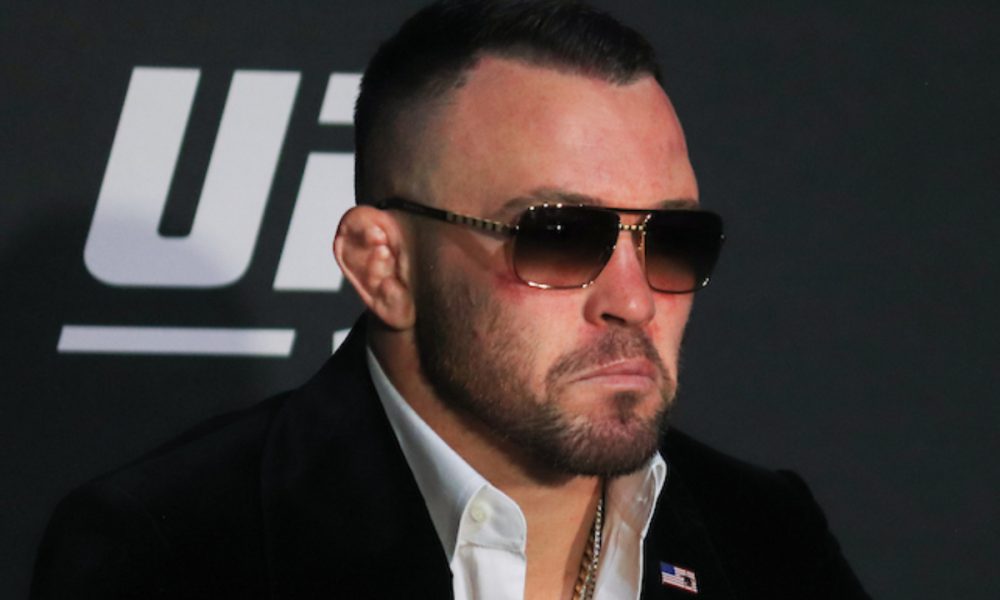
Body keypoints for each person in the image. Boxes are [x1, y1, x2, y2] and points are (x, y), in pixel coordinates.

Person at [32, 1, 870, 599]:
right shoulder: (170, 548)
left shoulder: (765, 535)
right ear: (384, 266)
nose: (634, 301)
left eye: (672, 239)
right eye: (559, 237)